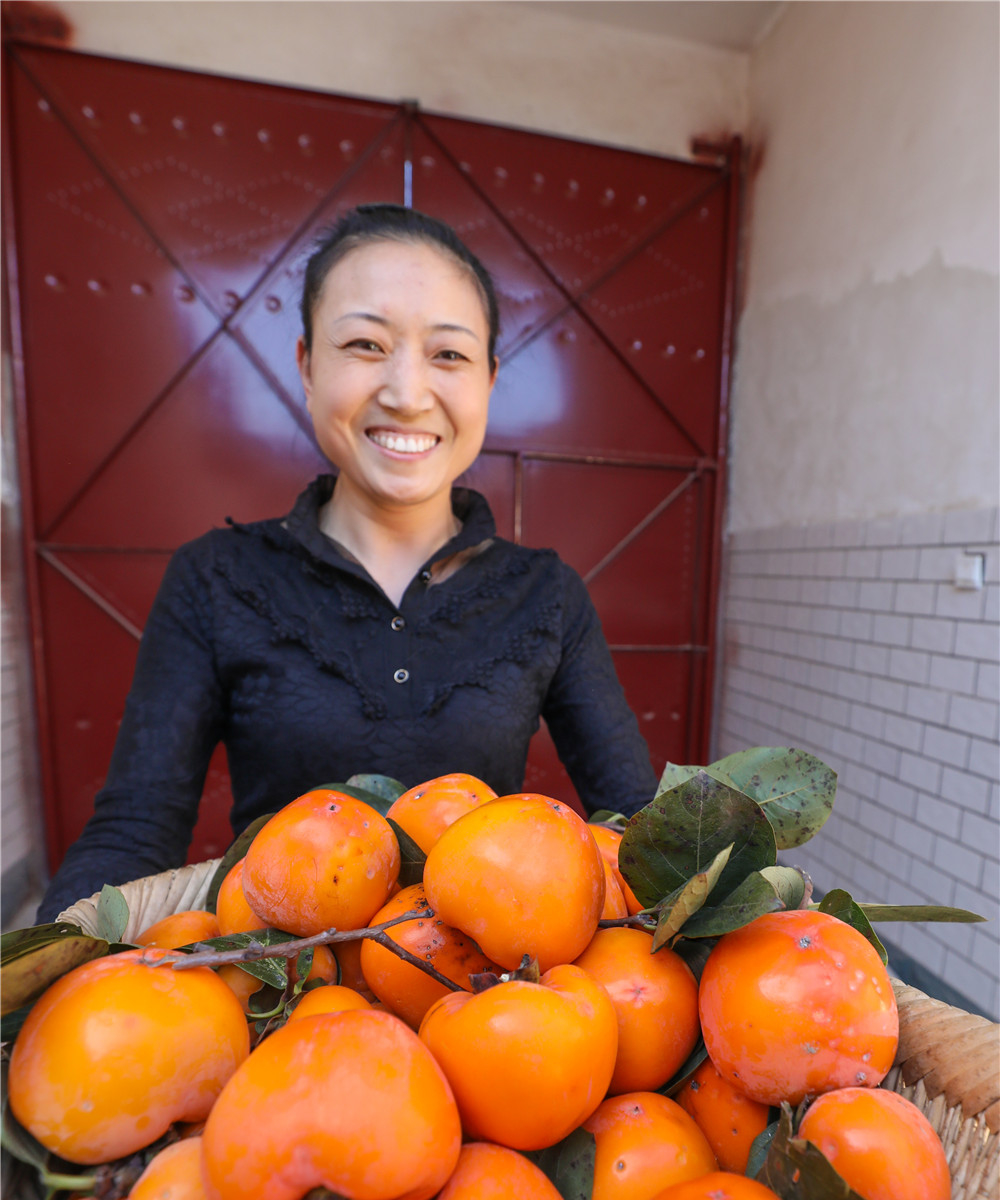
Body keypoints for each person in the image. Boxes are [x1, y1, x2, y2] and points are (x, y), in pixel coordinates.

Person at [37, 205, 658, 921]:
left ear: (489, 379)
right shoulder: (216, 579)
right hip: (276, 989)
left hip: (481, 999)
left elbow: (639, 824)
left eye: (448, 355)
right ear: (306, 365)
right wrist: (49, 968)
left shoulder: (545, 595)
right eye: (365, 344)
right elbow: (135, 827)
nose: (405, 392)